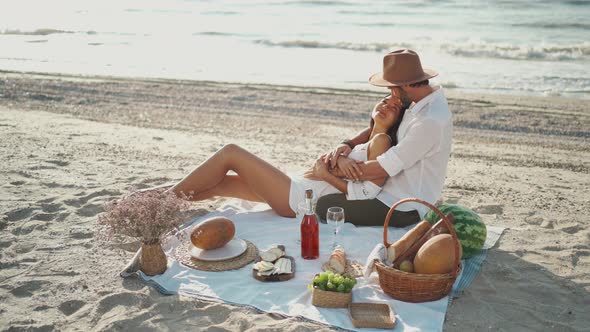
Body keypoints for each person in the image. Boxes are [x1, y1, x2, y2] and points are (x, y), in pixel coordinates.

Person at [168, 87, 409, 219]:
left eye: (395, 107)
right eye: (384, 100)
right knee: (220, 185)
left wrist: (325, 175)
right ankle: (152, 200)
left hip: (298, 198)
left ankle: (161, 201)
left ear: (399, 120)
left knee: (231, 153)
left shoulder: (381, 141)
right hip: (296, 185)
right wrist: (340, 155)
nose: (387, 105)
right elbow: (348, 153)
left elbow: (367, 193)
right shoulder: (366, 137)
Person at [316, 49, 453, 227]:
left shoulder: (429, 121)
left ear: (405, 85)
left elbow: (383, 168)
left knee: (325, 205)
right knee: (328, 195)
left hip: (403, 205)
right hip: (385, 189)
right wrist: (349, 144)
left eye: (391, 88)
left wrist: (331, 170)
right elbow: (381, 126)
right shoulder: (418, 102)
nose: (390, 93)